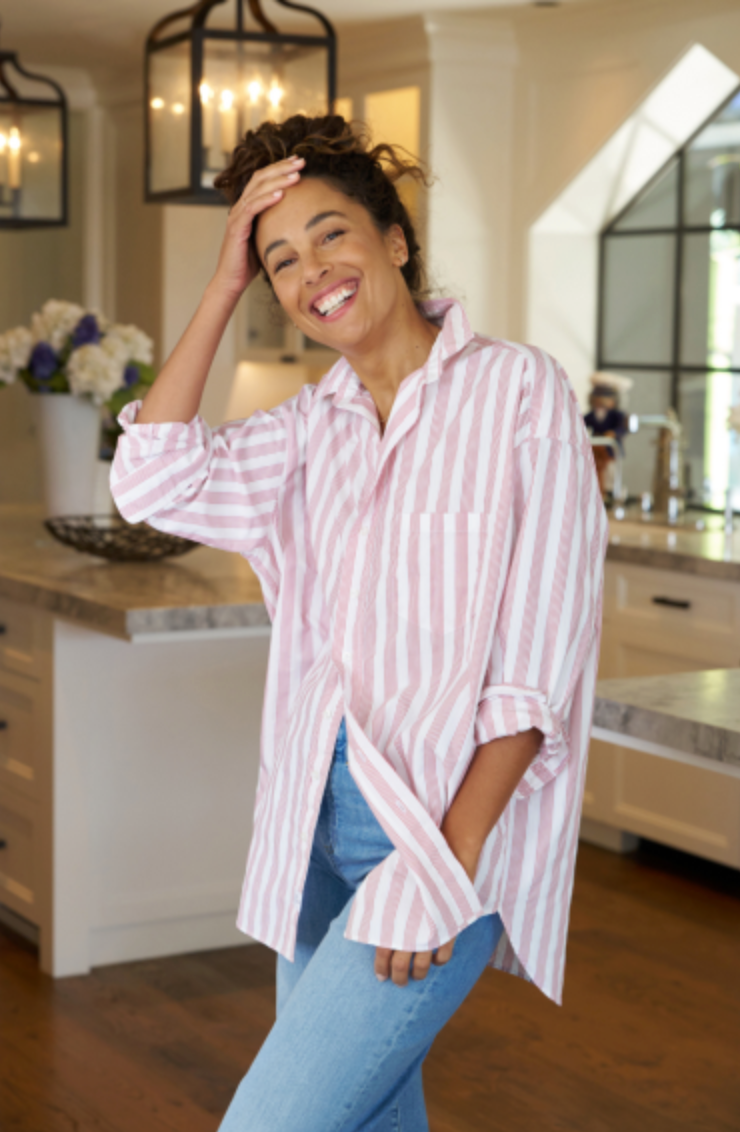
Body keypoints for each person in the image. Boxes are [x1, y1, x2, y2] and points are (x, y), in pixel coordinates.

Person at [110, 114, 609, 1132]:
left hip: (432, 834)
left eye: (331, 234)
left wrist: (442, 866)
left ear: (393, 238)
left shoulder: (517, 393)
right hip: (312, 832)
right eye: (280, 259)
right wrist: (220, 286)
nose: (310, 272)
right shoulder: (308, 426)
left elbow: (535, 666)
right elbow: (148, 479)